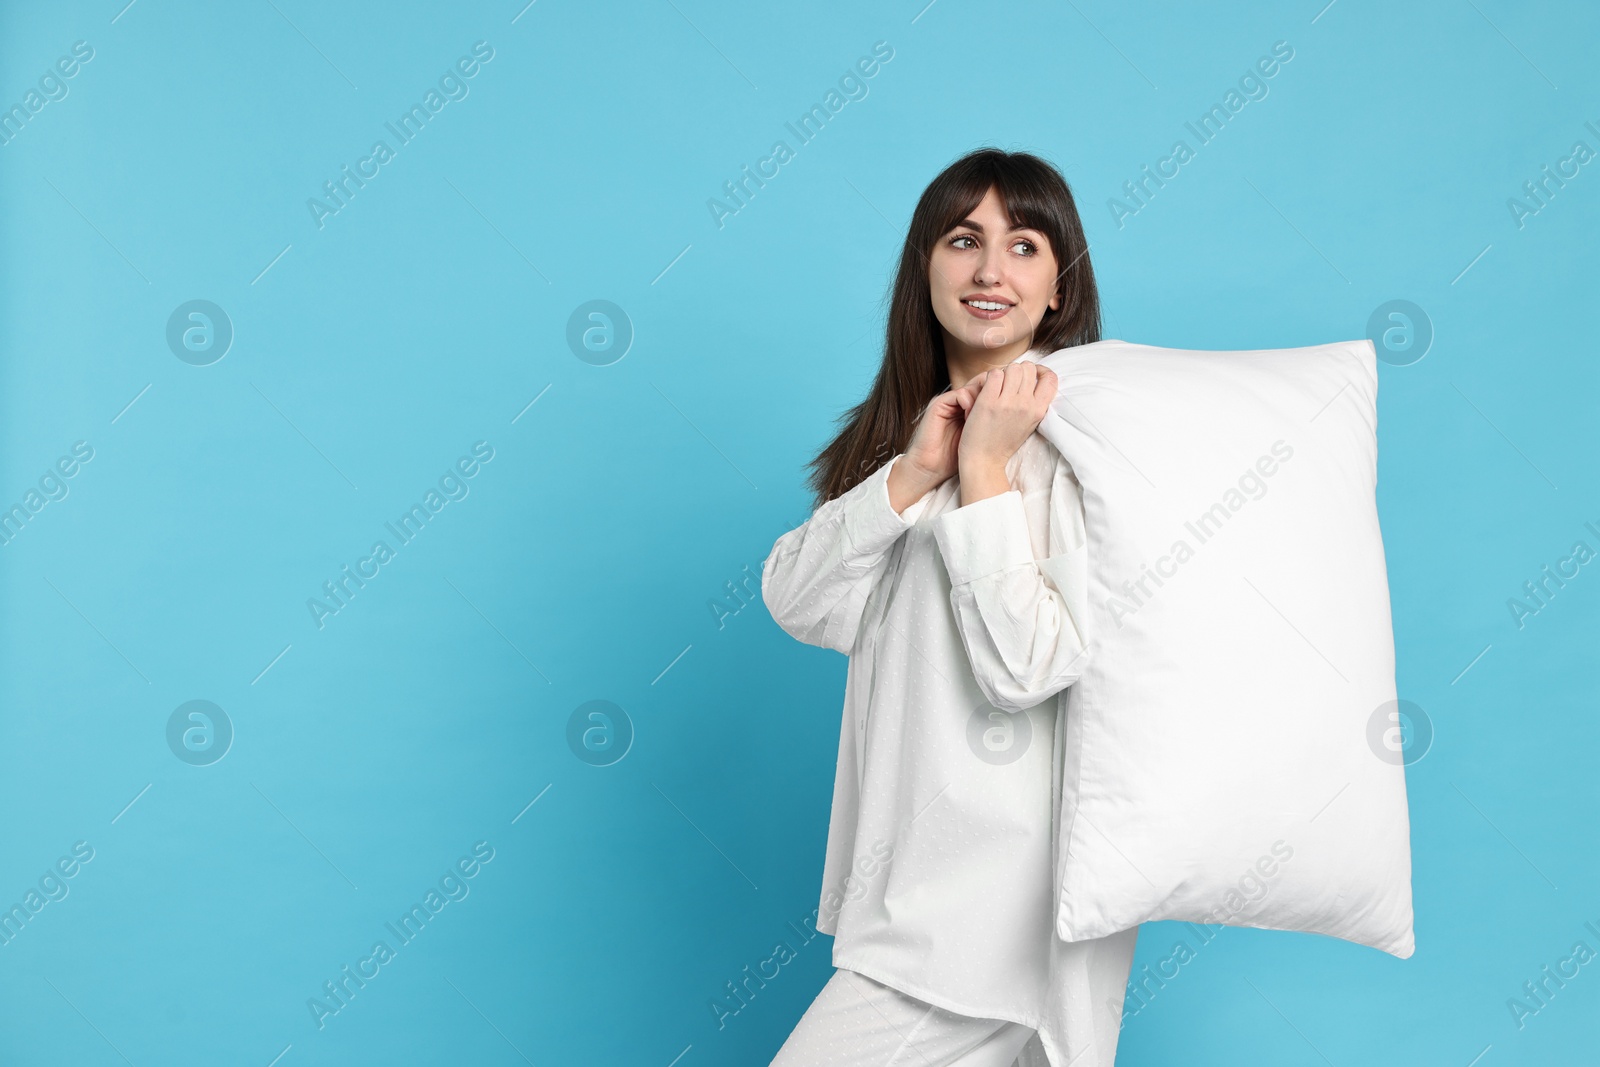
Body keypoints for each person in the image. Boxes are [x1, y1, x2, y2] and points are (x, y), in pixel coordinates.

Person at [760, 148, 1139, 1067]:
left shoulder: (1084, 447)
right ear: (924, 266)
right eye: (964, 239)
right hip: (916, 896)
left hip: (991, 915)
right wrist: (916, 471)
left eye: (1024, 245)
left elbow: (1032, 669)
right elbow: (799, 601)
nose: (989, 270)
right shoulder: (907, 438)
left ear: (1059, 288)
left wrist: (986, 474)